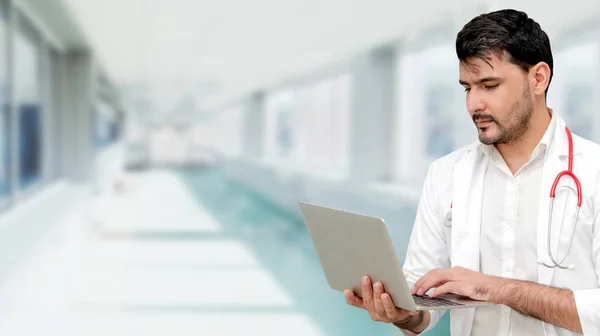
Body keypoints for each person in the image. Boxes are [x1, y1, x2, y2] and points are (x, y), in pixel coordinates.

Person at [344, 9, 600, 336]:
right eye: (467, 88)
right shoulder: (446, 174)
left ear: (538, 78)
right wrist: (401, 313)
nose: (473, 104)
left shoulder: (593, 172)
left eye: (489, 85)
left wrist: (498, 289)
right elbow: (422, 309)